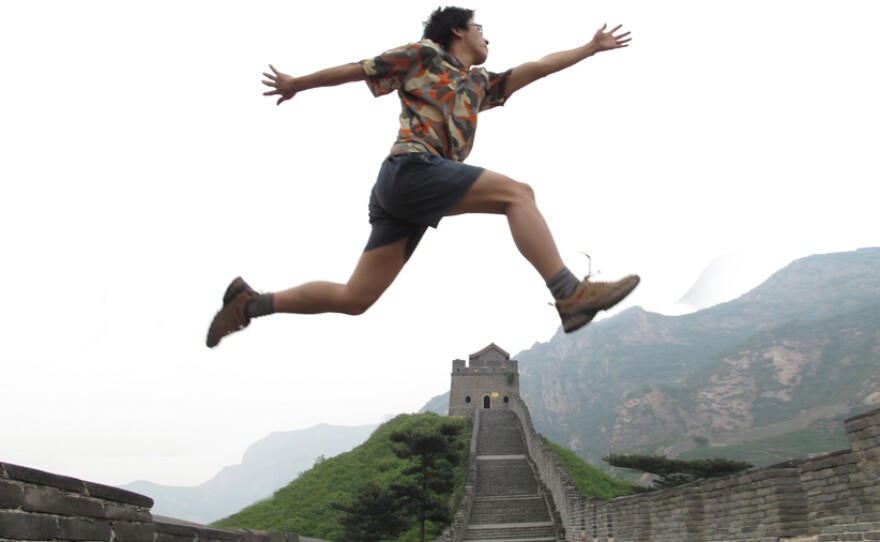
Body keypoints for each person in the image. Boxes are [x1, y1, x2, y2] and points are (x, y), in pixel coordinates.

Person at [206, 6, 639, 348]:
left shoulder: (479, 85)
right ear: (458, 31)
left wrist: (589, 47)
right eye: (479, 27)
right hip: (411, 168)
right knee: (518, 195)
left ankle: (249, 304)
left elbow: (539, 66)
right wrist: (298, 83)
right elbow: (361, 68)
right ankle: (569, 294)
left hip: (405, 194)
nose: (487, 36)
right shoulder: (424, 55)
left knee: (356, 298)